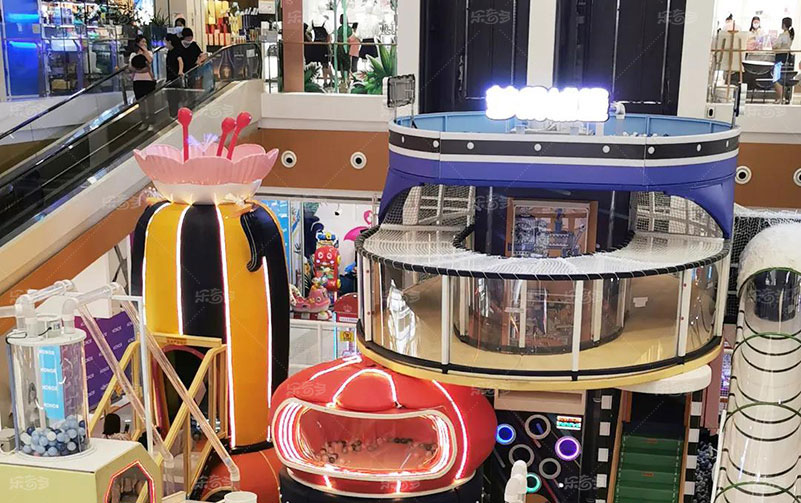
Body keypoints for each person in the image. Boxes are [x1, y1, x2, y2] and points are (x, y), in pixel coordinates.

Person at [774, 17, 796, 103]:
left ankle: (780, 97)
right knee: (782, 78)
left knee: (776, 77)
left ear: (783, 24)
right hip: (786, 57)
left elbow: (777, 46)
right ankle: (782, 97)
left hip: (780, 56)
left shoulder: (783, 35)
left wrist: (773, 46)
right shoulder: (790, 35)